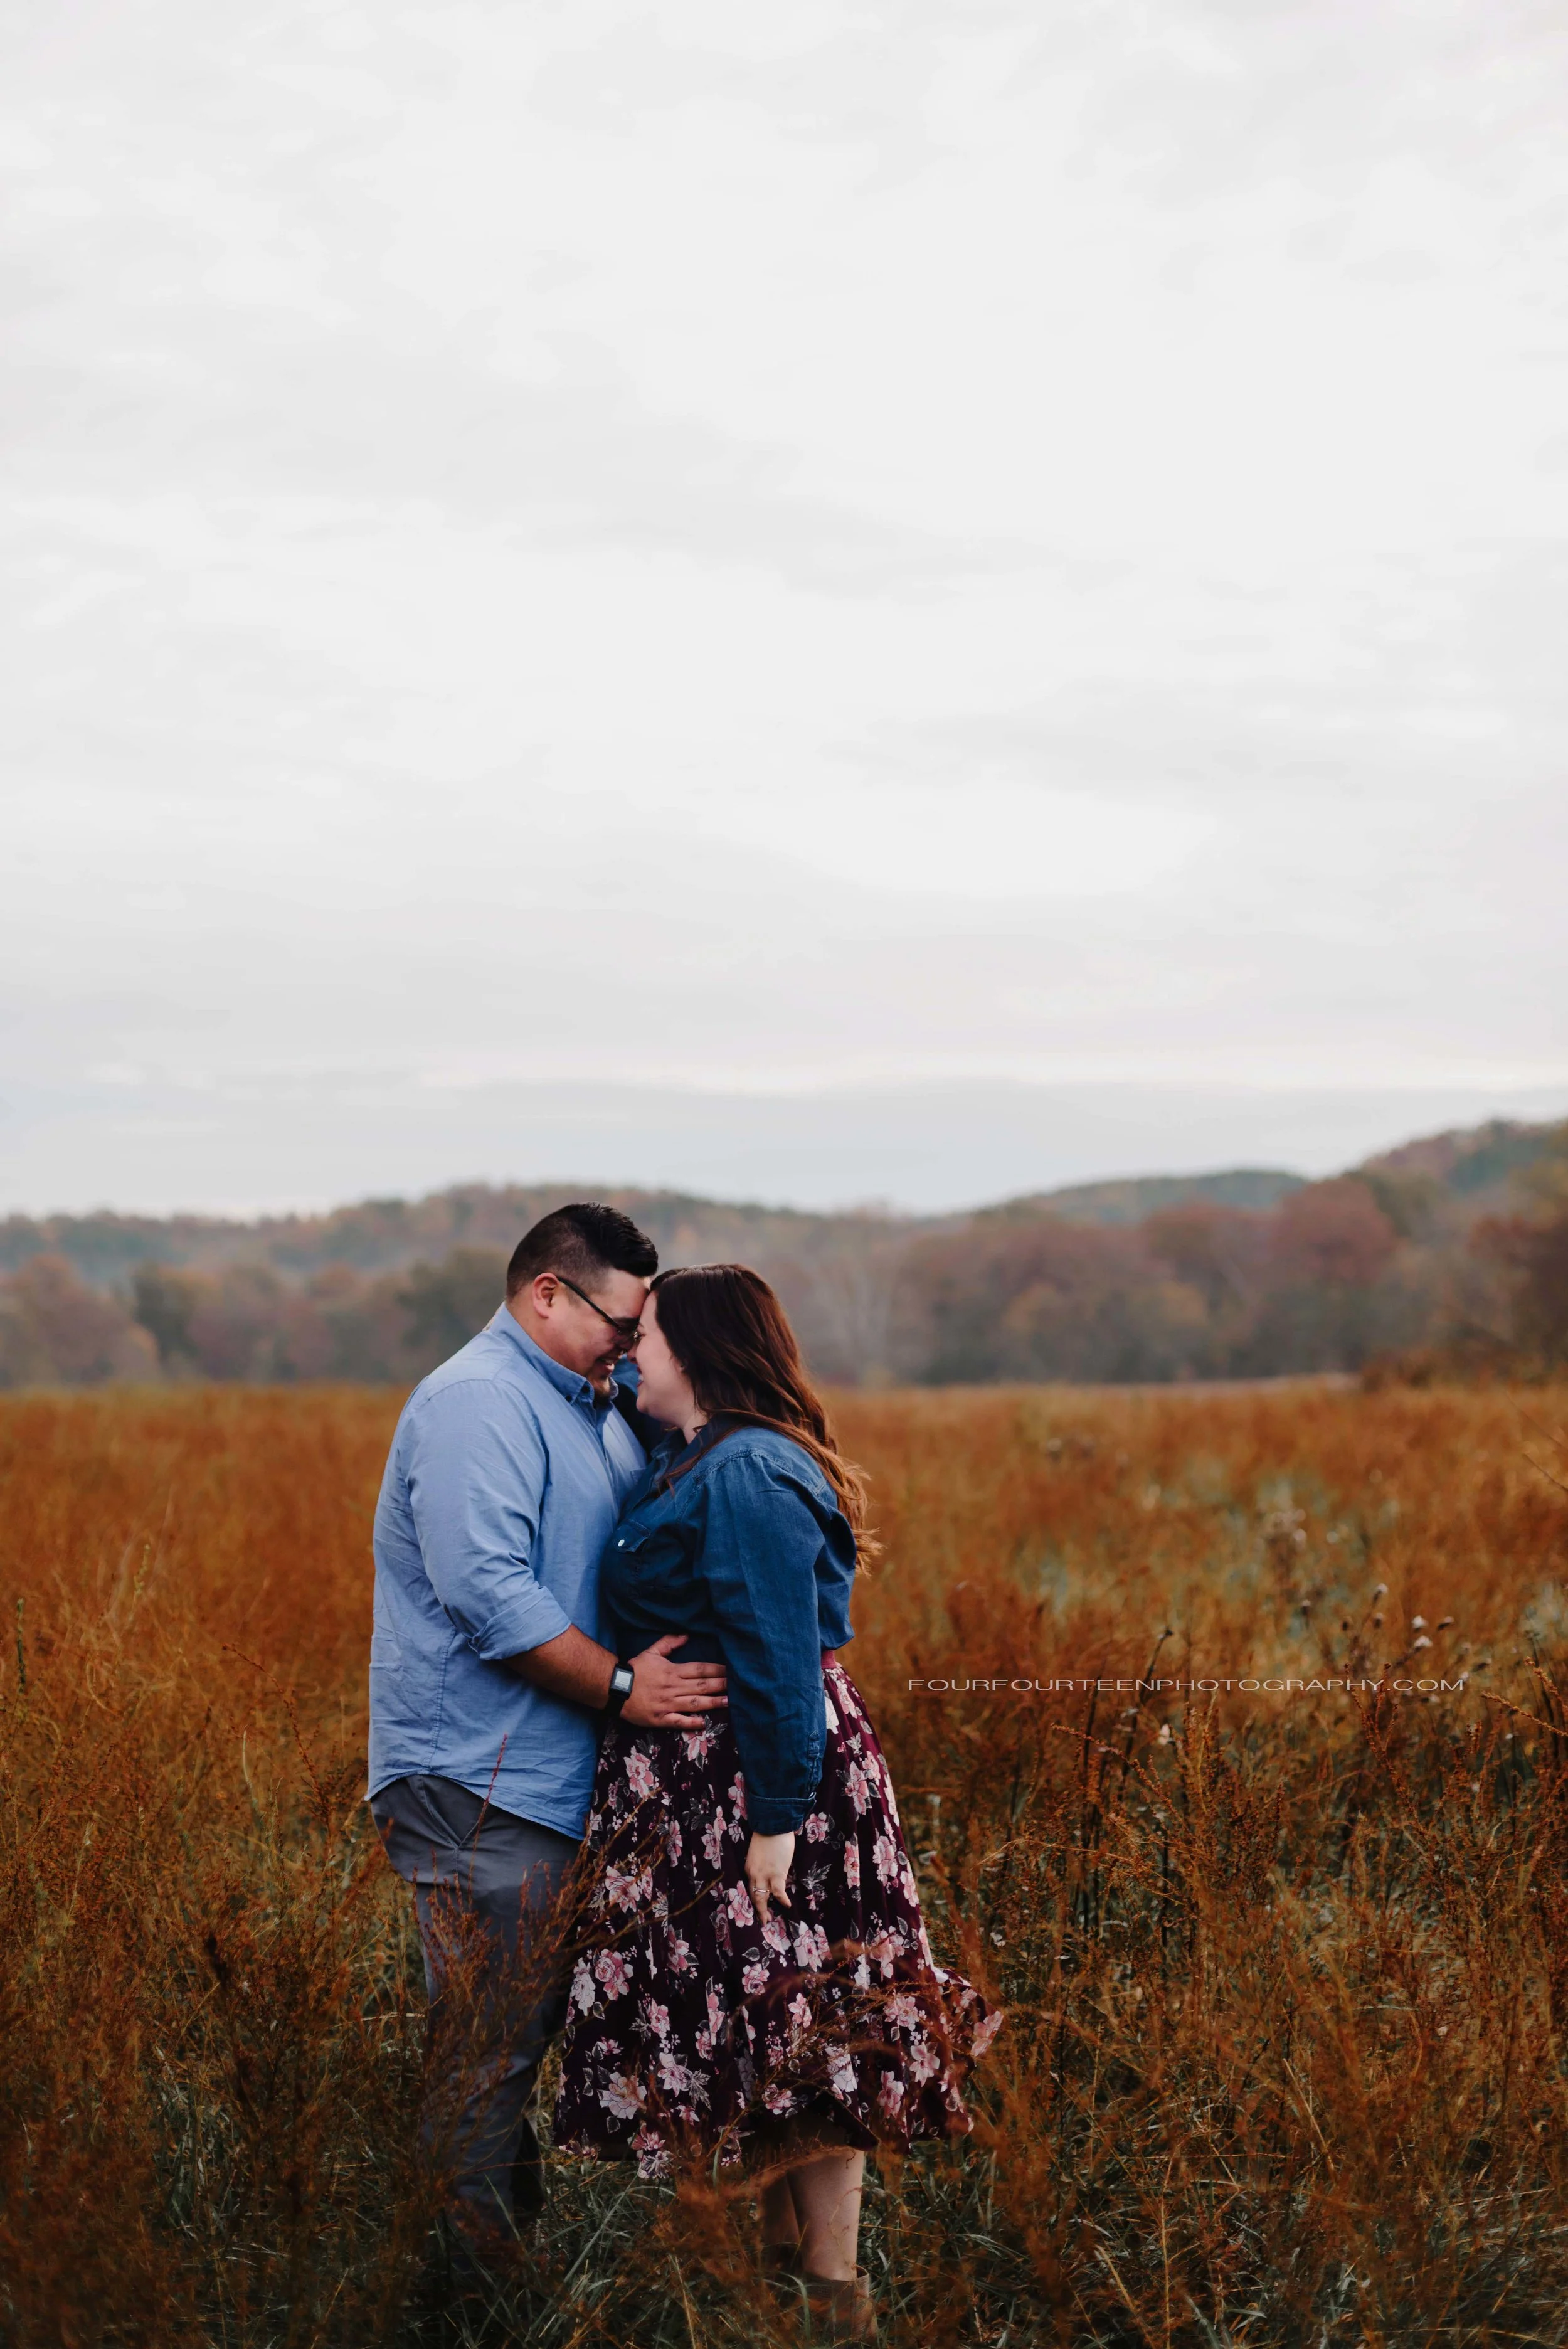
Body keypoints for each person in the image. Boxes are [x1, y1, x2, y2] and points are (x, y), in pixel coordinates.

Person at [552, 1265, 1003, 2343]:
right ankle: (779, 2289)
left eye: (647, 1336)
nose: (630, 1352)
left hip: (758, 1784)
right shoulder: (693, 1450)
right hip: (705, 1782)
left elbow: (778, 1657)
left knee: (811, 2016)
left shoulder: (749, 1468)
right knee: (765, 2026)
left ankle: (833, 2301)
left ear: (699, 1353)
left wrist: (777, 1820)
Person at [365, 1202, 729, 2269]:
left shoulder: (588, 1402)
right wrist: (623, 1687)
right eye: (621, 1325)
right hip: (478, 1779)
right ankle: (467, 2300)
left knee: (512, 2046)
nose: (631, 1345)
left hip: (546, 1776)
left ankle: (489, 2266)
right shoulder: (479, 1402)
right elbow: (487, 1593)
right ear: (545, 1295)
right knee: (485, 2053)